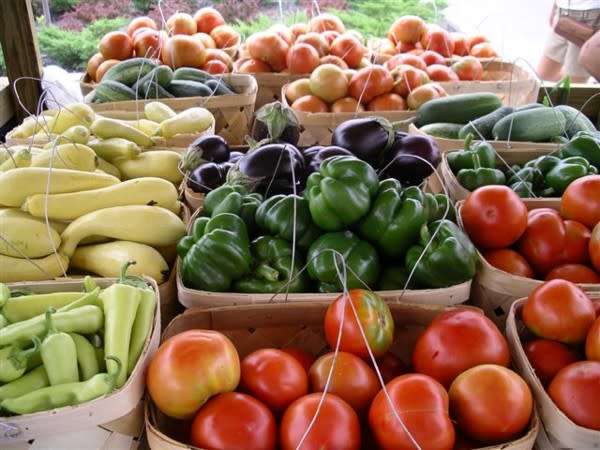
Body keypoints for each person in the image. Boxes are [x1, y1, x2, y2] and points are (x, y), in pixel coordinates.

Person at [537, 0, 600, 82]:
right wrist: (555, 6)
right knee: (544, 73)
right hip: (563, 12)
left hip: (591, 16)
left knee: (573, 82)